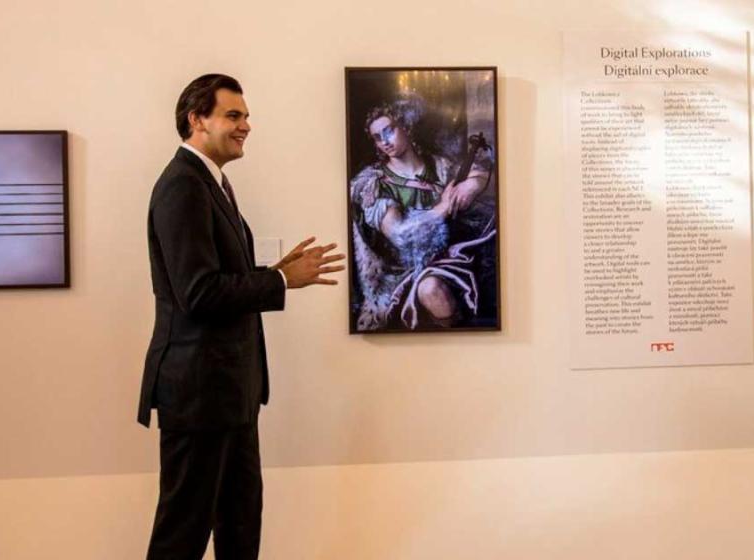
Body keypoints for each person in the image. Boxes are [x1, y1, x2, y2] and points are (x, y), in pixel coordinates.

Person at [137, 73, 344, 560]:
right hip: (199, 393)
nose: (246, 125)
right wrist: (280, 281)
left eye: (246, 116)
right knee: (182, 536)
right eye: (233, 115)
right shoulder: (182, 186)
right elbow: (198, 292)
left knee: (241, 524)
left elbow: (216, 280)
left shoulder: (212, 182)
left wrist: (272, 273)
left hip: (230, 393)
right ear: (197, 119)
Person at [350, 97, 496, 331]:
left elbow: (480, 176)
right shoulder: (374, 184)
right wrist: (443, 208)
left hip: (452, 257)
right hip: (402, 273)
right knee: (431, 289)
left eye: (389, 131)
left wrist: (472, 185)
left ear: (405, 127)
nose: (384, 141)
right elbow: (400, 235)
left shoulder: (439, 166)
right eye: (377, 137)